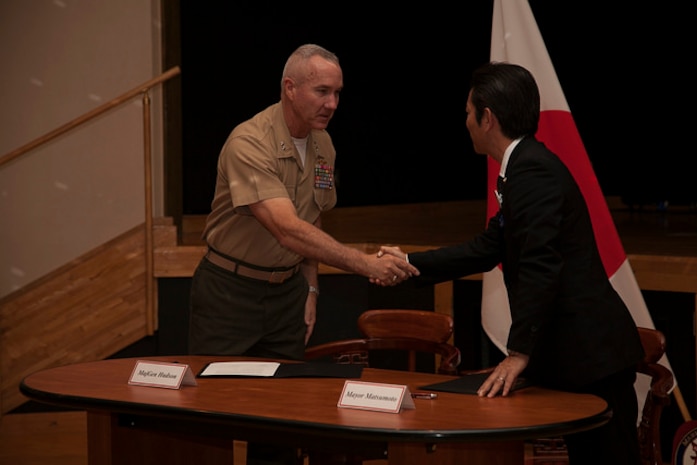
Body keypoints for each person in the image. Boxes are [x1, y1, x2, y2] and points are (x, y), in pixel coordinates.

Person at [377, 62, 644, 465]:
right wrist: (410, 263)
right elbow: (490, 246)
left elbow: (540, 264)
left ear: (488, 119)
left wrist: (518, 352)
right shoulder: (521, 168)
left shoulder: (532, 171)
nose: (464, 120)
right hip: (575, 357)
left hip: (593, 358)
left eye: (468, 111)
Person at [188, 43, 418, 465]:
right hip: (228, 293)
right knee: (210, 418)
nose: (332, 104)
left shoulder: (323, 147)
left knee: (280, 419)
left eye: (338, 93)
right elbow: (287, 228)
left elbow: (311, 220)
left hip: (285, 297)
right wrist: (366, 264)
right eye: (322, 92)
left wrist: (310, 290)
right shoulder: (248, 142)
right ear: (290, 88)